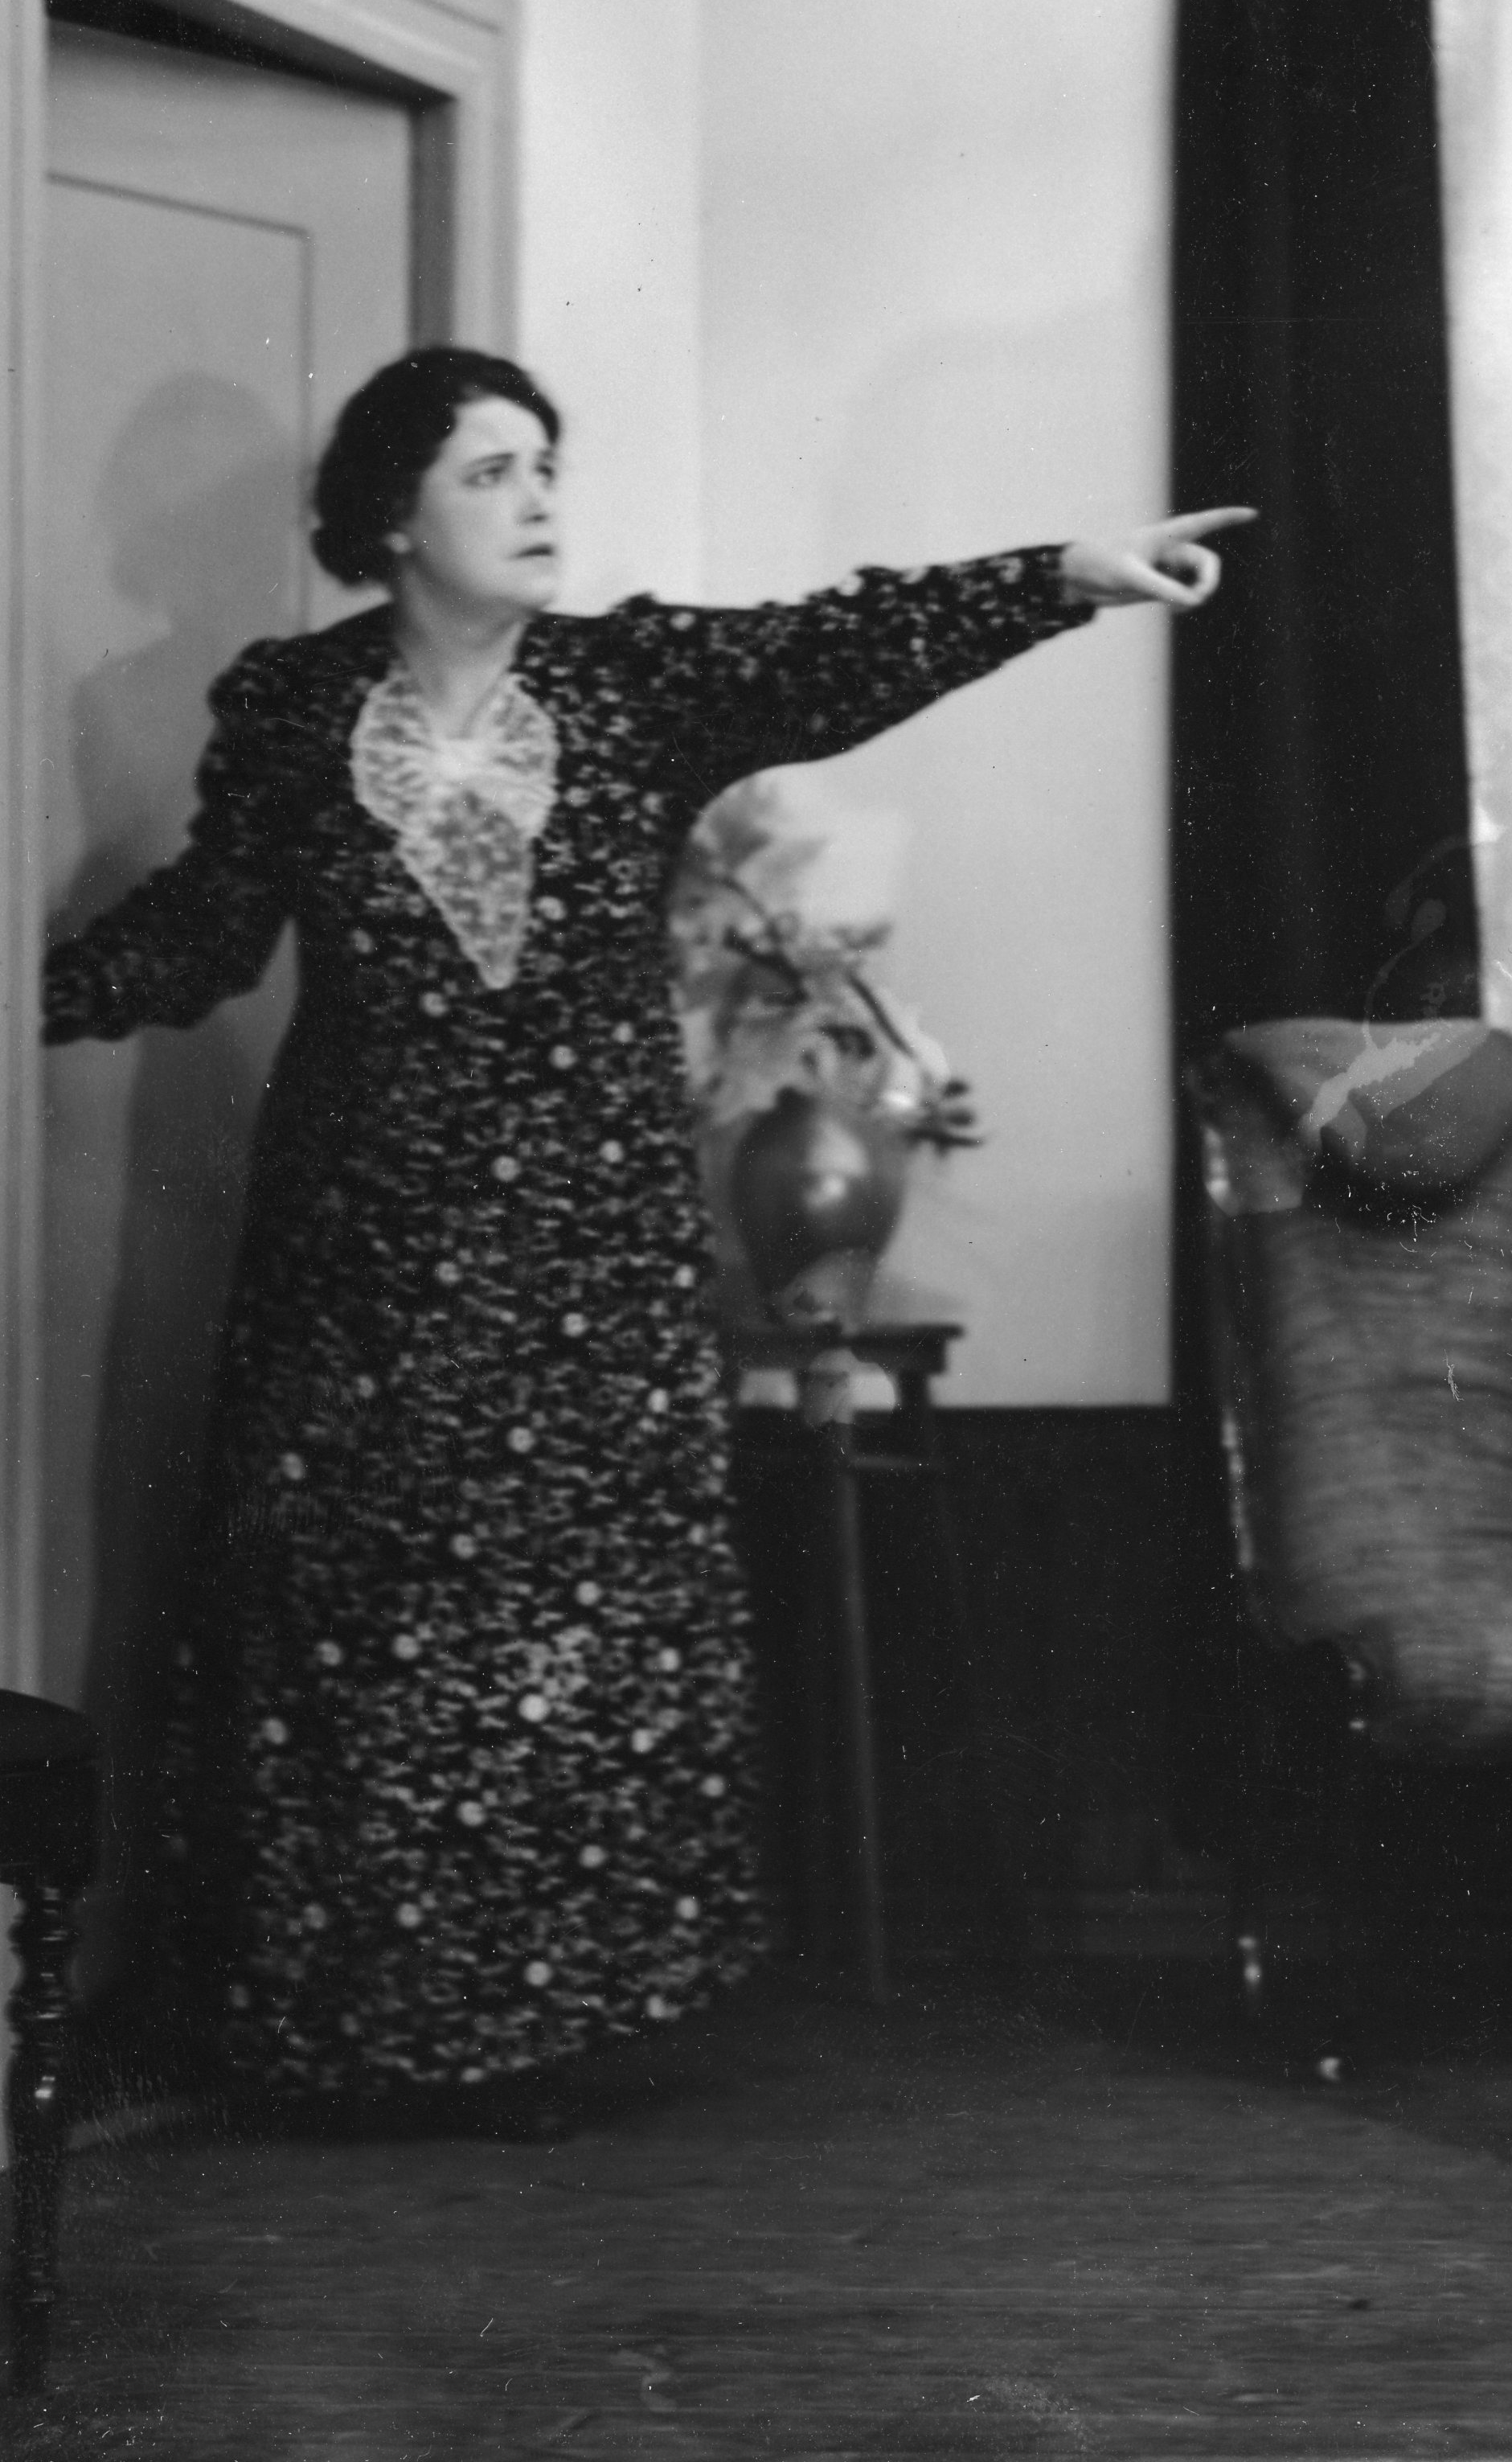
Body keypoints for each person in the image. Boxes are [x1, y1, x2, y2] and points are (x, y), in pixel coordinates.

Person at [45, 345, 1248, 2135]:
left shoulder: (631, 683)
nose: (540, 501)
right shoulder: (292, 707)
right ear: (391, 515)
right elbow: (210, 932)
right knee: (353, 1636)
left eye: (547, 466)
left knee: (569, 1640)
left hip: (588, 1262)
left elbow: (845, 644)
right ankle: (349, 2033)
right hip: (364, 1261)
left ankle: (530, 2034)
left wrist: (1067, 575)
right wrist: (40, 992)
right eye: (491, 473)